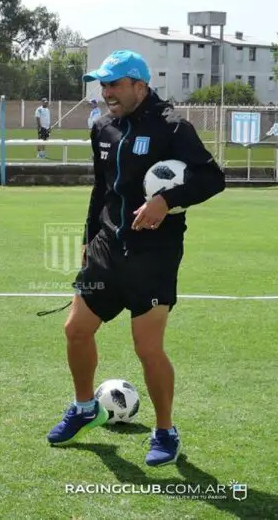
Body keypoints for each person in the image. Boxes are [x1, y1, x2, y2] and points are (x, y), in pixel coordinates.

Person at [46, 50, 226, 467]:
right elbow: (101, 188)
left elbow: (212, 177)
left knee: (147, 348)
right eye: (103, 84)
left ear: (140, 86)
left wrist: (166, 200)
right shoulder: (103, 126)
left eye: (114, 84)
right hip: (109, 245)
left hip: (155, 253)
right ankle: (85, 408)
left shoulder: (173, 127)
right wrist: (89, 236)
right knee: (75, 329)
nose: (105, 92)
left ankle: (165, 431)